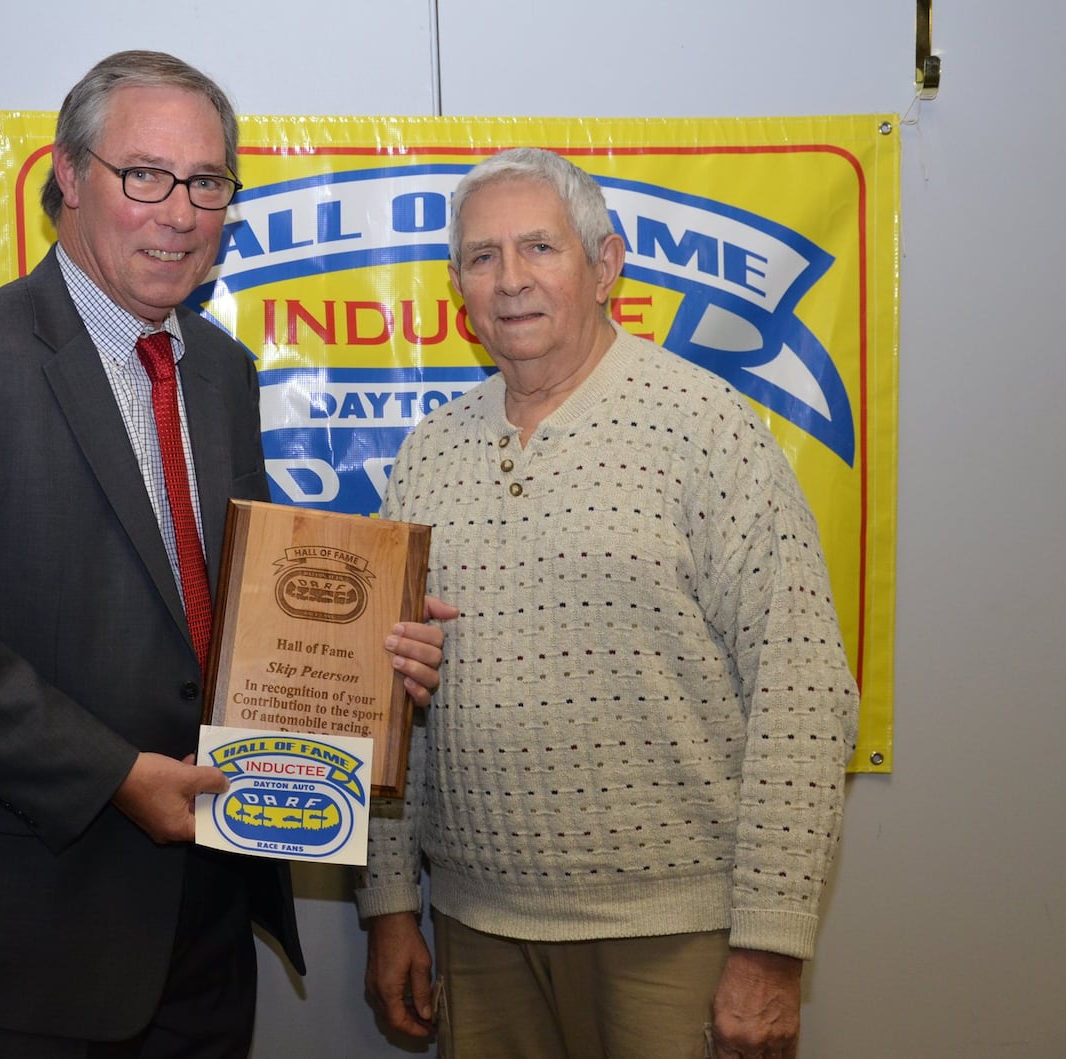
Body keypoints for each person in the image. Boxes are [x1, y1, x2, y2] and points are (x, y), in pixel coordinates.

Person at [0, 50, 449, 1057]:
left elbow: (246, 602)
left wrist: (373, 653)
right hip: (31, 924)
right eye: (145, 175)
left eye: (206, 182)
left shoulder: (218, 369)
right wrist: (114, 773)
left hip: (206, 917)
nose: (179, 211)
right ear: (68, 179)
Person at [356, 147, 859, 1059]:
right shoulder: (425, 455)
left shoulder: (705, 428)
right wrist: (391, 906)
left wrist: (771, 949)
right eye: (481, 256)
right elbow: (394, 705)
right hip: (477, 934)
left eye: (539, 247)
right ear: (457, 285)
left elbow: (804, 696)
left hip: (674, 941)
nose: (510, 280)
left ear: (606, 265)